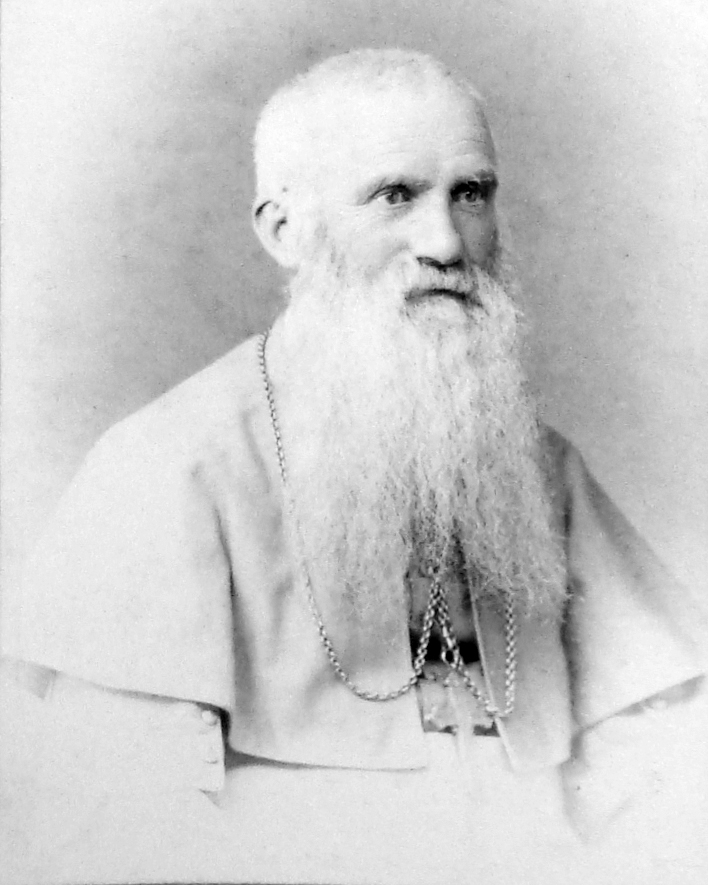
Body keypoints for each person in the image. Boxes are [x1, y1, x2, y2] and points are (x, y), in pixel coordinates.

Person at [1, 49, 705, 885]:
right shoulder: (169, 467)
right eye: (395, 195)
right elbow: (121, 823)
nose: (446, 242)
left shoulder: (539, 467)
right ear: (285, 231)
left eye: (471, 193)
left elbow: (661, 759)